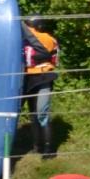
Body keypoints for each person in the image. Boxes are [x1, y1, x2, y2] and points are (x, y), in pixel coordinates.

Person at [22, 21, 60, 156]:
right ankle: (37, 146)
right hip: (28, 79)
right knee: (33, 115)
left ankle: (49, 150)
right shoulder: (24, 40)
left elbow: (33, 36)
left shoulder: (47, 39)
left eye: (29, 26)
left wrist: (19, 22)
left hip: (43, 78)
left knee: (42, 113)